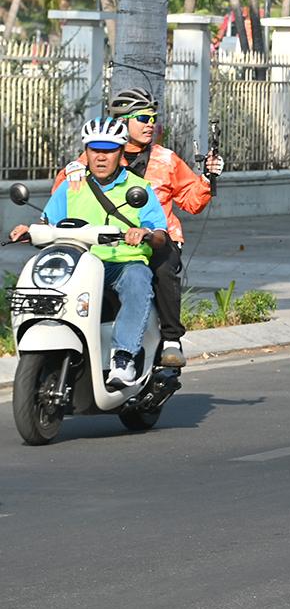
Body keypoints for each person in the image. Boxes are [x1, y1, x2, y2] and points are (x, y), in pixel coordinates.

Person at [56, 87, 223, 369]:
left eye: (153, 118)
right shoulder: (94, 157)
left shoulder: (167, 159)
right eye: (143, 118)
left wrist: (207, 178)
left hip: (157, 238)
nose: (151, 125)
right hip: (104, 242)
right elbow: (61, 199)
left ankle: (171, 339)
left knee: (161, 266)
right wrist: (69, 172)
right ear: (122, 122)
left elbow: (192, 203)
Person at [14, 117, 170, 390]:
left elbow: (160, 233)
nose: (100, 157)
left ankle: (123, 357)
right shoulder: (70, 186)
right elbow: (46, 222)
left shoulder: (139, 189)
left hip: (121, 264)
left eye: (108, 150)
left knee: (138, 280)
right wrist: (29, 230)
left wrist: (143, 233)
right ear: (86, 151)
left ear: (121, 153)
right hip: (81, 263)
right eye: (94, 149)